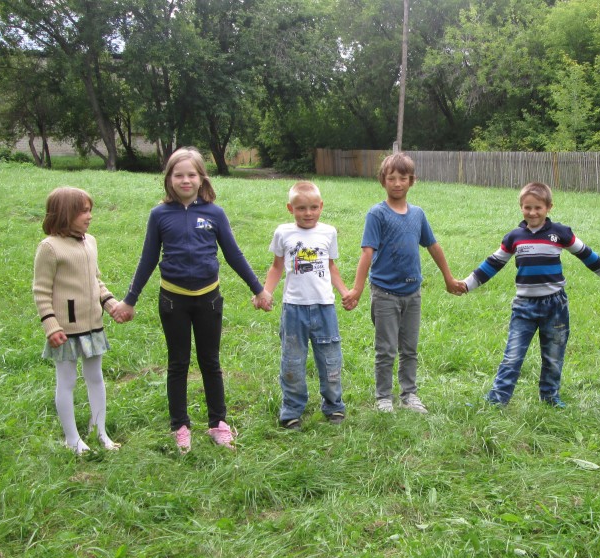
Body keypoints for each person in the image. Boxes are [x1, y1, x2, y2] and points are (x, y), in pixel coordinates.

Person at [112, 147, 269, 451]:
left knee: (210, 362)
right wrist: (129, 300)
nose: (185, 180)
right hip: (173, 302)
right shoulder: (159, 215)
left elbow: (233, 254)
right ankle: (180, 426)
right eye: (178, 175)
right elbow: (147, 259)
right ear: (169, 179)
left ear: (201, 178)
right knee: (178, 363)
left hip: (209, 300)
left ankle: (218, 423)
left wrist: (258, 289)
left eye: (191, 175)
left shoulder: (214, 213)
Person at [459, 181, 600, 408]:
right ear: (521, 207)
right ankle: (497, 399)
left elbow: (586, 254)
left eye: (538, 207)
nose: (532, 212)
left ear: (548, 208)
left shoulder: (560, 233)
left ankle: (550, 397)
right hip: (524, 306)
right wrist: (467, 285)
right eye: (527, 207)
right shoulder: (514, 237)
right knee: (512, 356)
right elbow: (493, 263)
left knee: (553, 356)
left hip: (555, 306)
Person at [342, 152, 462, 414]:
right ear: (382, 181)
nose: (397, 183)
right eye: (391, 178)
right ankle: (383, 397)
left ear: (412, 181)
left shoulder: (418, 214)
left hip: (412, 293)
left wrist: (448, 277)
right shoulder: (377, 214)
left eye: (403, 178)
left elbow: (433, 245)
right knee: (386, 349)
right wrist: (357, 289)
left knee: (409, 349)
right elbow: (367, 253)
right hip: (385, 293)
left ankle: (409, 395)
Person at [33, 187, 120, 454]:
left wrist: (111, 304)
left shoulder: (90, 242)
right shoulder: (49, 248)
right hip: (65, 330)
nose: (89, 216)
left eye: (89, 210)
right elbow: (41, 291)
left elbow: (95, 280)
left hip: (93, 325)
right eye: (83, 211)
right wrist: (51, 326)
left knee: (95, 377)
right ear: (64, 214)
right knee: (67, 381)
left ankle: (99, 431)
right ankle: (72, 440)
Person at [258, 182, 349, 431]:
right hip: (294, 309)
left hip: (324, 308)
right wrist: (266, 292)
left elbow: (331, 266)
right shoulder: (283, 233)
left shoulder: (328, 232)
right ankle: (292, 410)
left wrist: (345, 292)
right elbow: (276, 267)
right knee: (292, 361)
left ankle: (334, 406)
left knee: (330, 359)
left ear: (321, 206)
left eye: (313, 207)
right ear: (290, 208)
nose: (308, 213)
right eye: (301, 208)